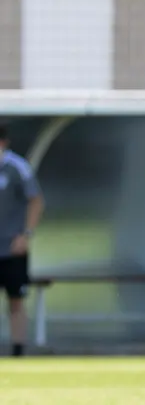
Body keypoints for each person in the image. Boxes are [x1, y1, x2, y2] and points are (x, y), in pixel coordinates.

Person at [0, 124, 45, 357]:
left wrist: (25, 234)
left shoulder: (17, 168)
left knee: (16, 299)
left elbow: (36, 201)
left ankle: (18, 350)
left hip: (12, 247)